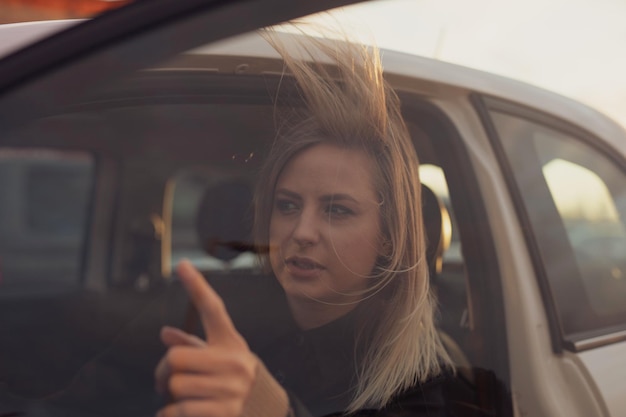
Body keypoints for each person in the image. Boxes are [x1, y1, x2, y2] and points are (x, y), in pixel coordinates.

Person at [154, 30, 453, 417]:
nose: (302, 233)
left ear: (390, 237)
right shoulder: (223, 320)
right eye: (288, 205)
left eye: (337, 210)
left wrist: (272, 410)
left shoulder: (431, 382)